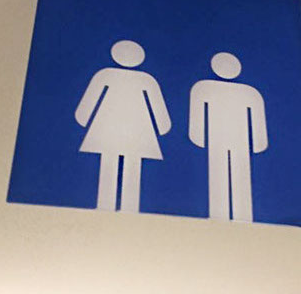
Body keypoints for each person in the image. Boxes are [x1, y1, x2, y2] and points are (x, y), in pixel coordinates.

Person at [75, 40, 171, 213]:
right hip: (129, 129)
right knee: (121, 164)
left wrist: (83, 118)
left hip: (120, 129)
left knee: (117, 163)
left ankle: (121, 207)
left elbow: (86, 107)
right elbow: (159, 111)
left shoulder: (109, 75)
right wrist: (162, 127)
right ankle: (116, 207)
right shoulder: (143, 79)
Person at [189, 52, 268, 222]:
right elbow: (197, 115)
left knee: (237, 174)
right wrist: (198, 136)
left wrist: (259, 143)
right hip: (220, 138)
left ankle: (240, 216)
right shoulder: (204, 88)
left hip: (234, 139)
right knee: (221, 174)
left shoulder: (249, 92)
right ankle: (221, 215)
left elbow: (257, 119)